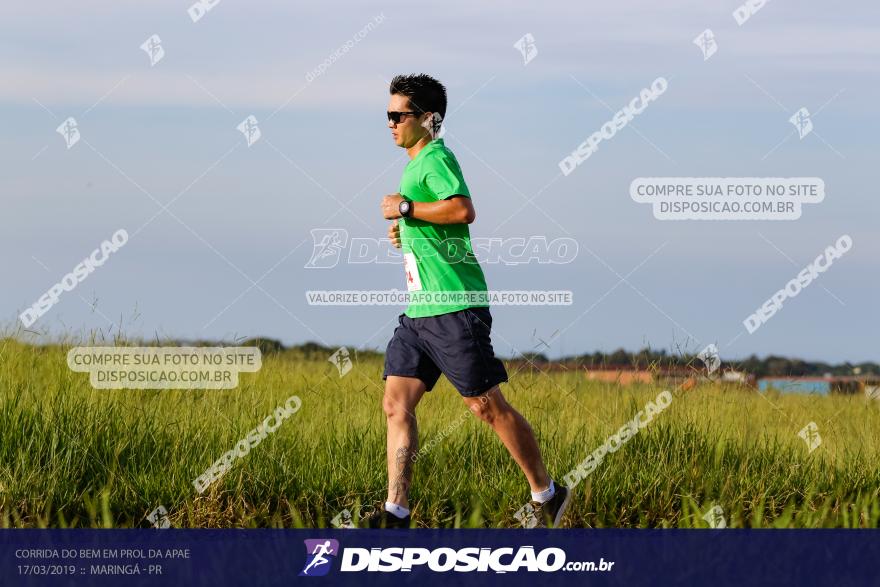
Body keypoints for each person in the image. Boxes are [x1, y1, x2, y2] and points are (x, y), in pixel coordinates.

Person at [366, 73, 570, 529]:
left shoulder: (437, 157)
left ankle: (548, 494)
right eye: (388, 115)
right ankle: (395, 513)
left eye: (399, 115)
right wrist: (408, 231)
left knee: (485, 407)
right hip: (420, 312)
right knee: (396, 405)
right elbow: (437, 222)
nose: (391, 123)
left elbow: (462, 210)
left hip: (455, 306)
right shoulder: (414, 165)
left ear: (428, 118)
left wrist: (405, 209)